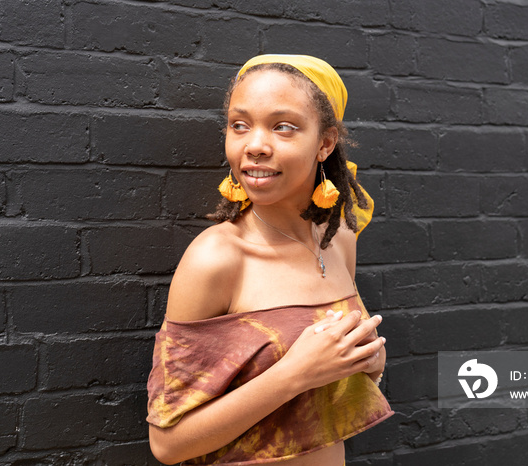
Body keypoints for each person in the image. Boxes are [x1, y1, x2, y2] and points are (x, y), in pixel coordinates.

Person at [147, 54, 393, 465]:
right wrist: (294, 374)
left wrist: (367, 365)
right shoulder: (218, 258)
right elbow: (169, 445)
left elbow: (323, 388)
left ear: (325, 144)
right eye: (239, 125)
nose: (255, 145)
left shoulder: (339, 239)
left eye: (283, 127)